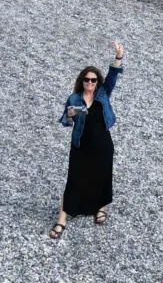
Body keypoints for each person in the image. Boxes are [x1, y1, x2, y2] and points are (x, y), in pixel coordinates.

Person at [49, 41, 125, 239]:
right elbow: (64, 121)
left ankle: (98, 208)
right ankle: (61, 219)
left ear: (97, 82)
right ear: (81, 81)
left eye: (93, 80)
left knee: (101, 176)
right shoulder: (74, 99)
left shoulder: (102, 93)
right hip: (81, 146)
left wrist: (118, 57)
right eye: (86, 80)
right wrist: (69, 115)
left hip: (103, 145)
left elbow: (113, 76)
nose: (90, 83)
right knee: (73, 181)